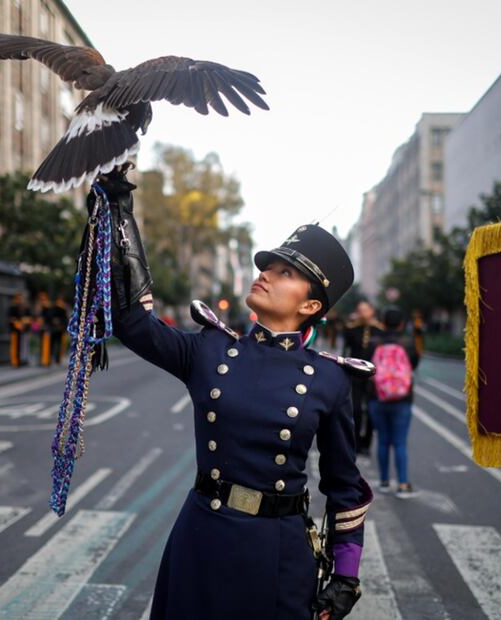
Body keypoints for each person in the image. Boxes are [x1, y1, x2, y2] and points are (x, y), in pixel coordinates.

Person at [100, 168, 375, 620]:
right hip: (203, 535)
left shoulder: (328, 379)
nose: (265, 274)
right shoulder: (210, 348)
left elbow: (344, 487)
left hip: (279, 550)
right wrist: (119, 215)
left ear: (309, 306)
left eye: (284, 273)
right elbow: (133, 323)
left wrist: (346, 576)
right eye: (267, 266)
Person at [367, 305, 420, 497]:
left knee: (382, 441)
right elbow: (413, 364)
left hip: (377, 396)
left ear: (382, 322)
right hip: (402, 398)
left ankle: (383, 482)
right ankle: (403, 484)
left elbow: (367, 367)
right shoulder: (408, 341)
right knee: (400, 442)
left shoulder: (373, 341)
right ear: (402, 324)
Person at [342, 301, 383, 456]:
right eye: (360, 310)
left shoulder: (379, 330)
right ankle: (356, 442)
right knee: (356, 409)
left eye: (366, 310)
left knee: (372, 410)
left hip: (373, 375)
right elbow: (345, 351)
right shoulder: (351, 329)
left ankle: (367, 442)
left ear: (372, 311)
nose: (363, 313)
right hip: (355, 374)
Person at [8, 292, 32, 367]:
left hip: (24, 329)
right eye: (18, 298)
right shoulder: (12, 307)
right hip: (15, 329)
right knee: (15, 346)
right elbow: (10, 318)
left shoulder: (26, 307)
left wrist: (24, 323)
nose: (20, 300)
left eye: (21, 298)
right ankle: (15, 361)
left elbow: (29, 318)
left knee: (24, 345)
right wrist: (17, 323)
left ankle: (23, 360)